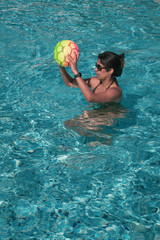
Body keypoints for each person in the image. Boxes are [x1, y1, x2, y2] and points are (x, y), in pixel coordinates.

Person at [58, 51, 125, 104]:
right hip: (96, 114)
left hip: (108, 118)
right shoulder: (95, 82)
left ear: (110, 71)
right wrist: (61, 67)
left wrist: (75, 72)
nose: (95, 69)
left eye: (99, 67)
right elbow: (70, 83)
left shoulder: (115, 92)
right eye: (96, 65)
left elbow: (91, 98)